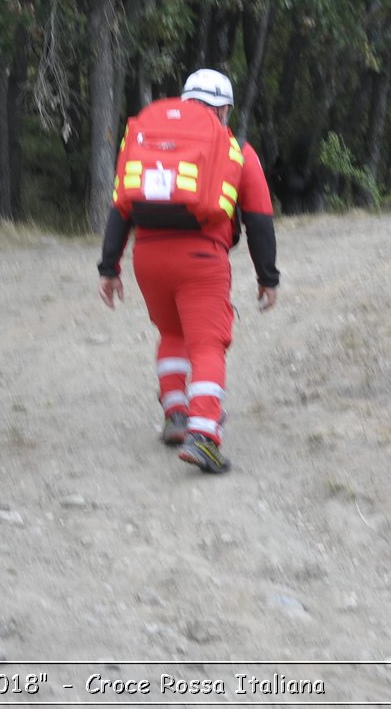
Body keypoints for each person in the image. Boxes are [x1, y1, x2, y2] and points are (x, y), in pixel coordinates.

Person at [96, 68, 279, 474]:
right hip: (201, 261)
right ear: (224, 109)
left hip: (148, 258)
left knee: (173, 333)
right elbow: (260, 219)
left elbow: (120, 206)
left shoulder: (148, 142)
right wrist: (268, 277)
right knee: (208, 345)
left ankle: (176, 414)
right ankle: (205, 436)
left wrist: (109, 267)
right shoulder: (236, 149)